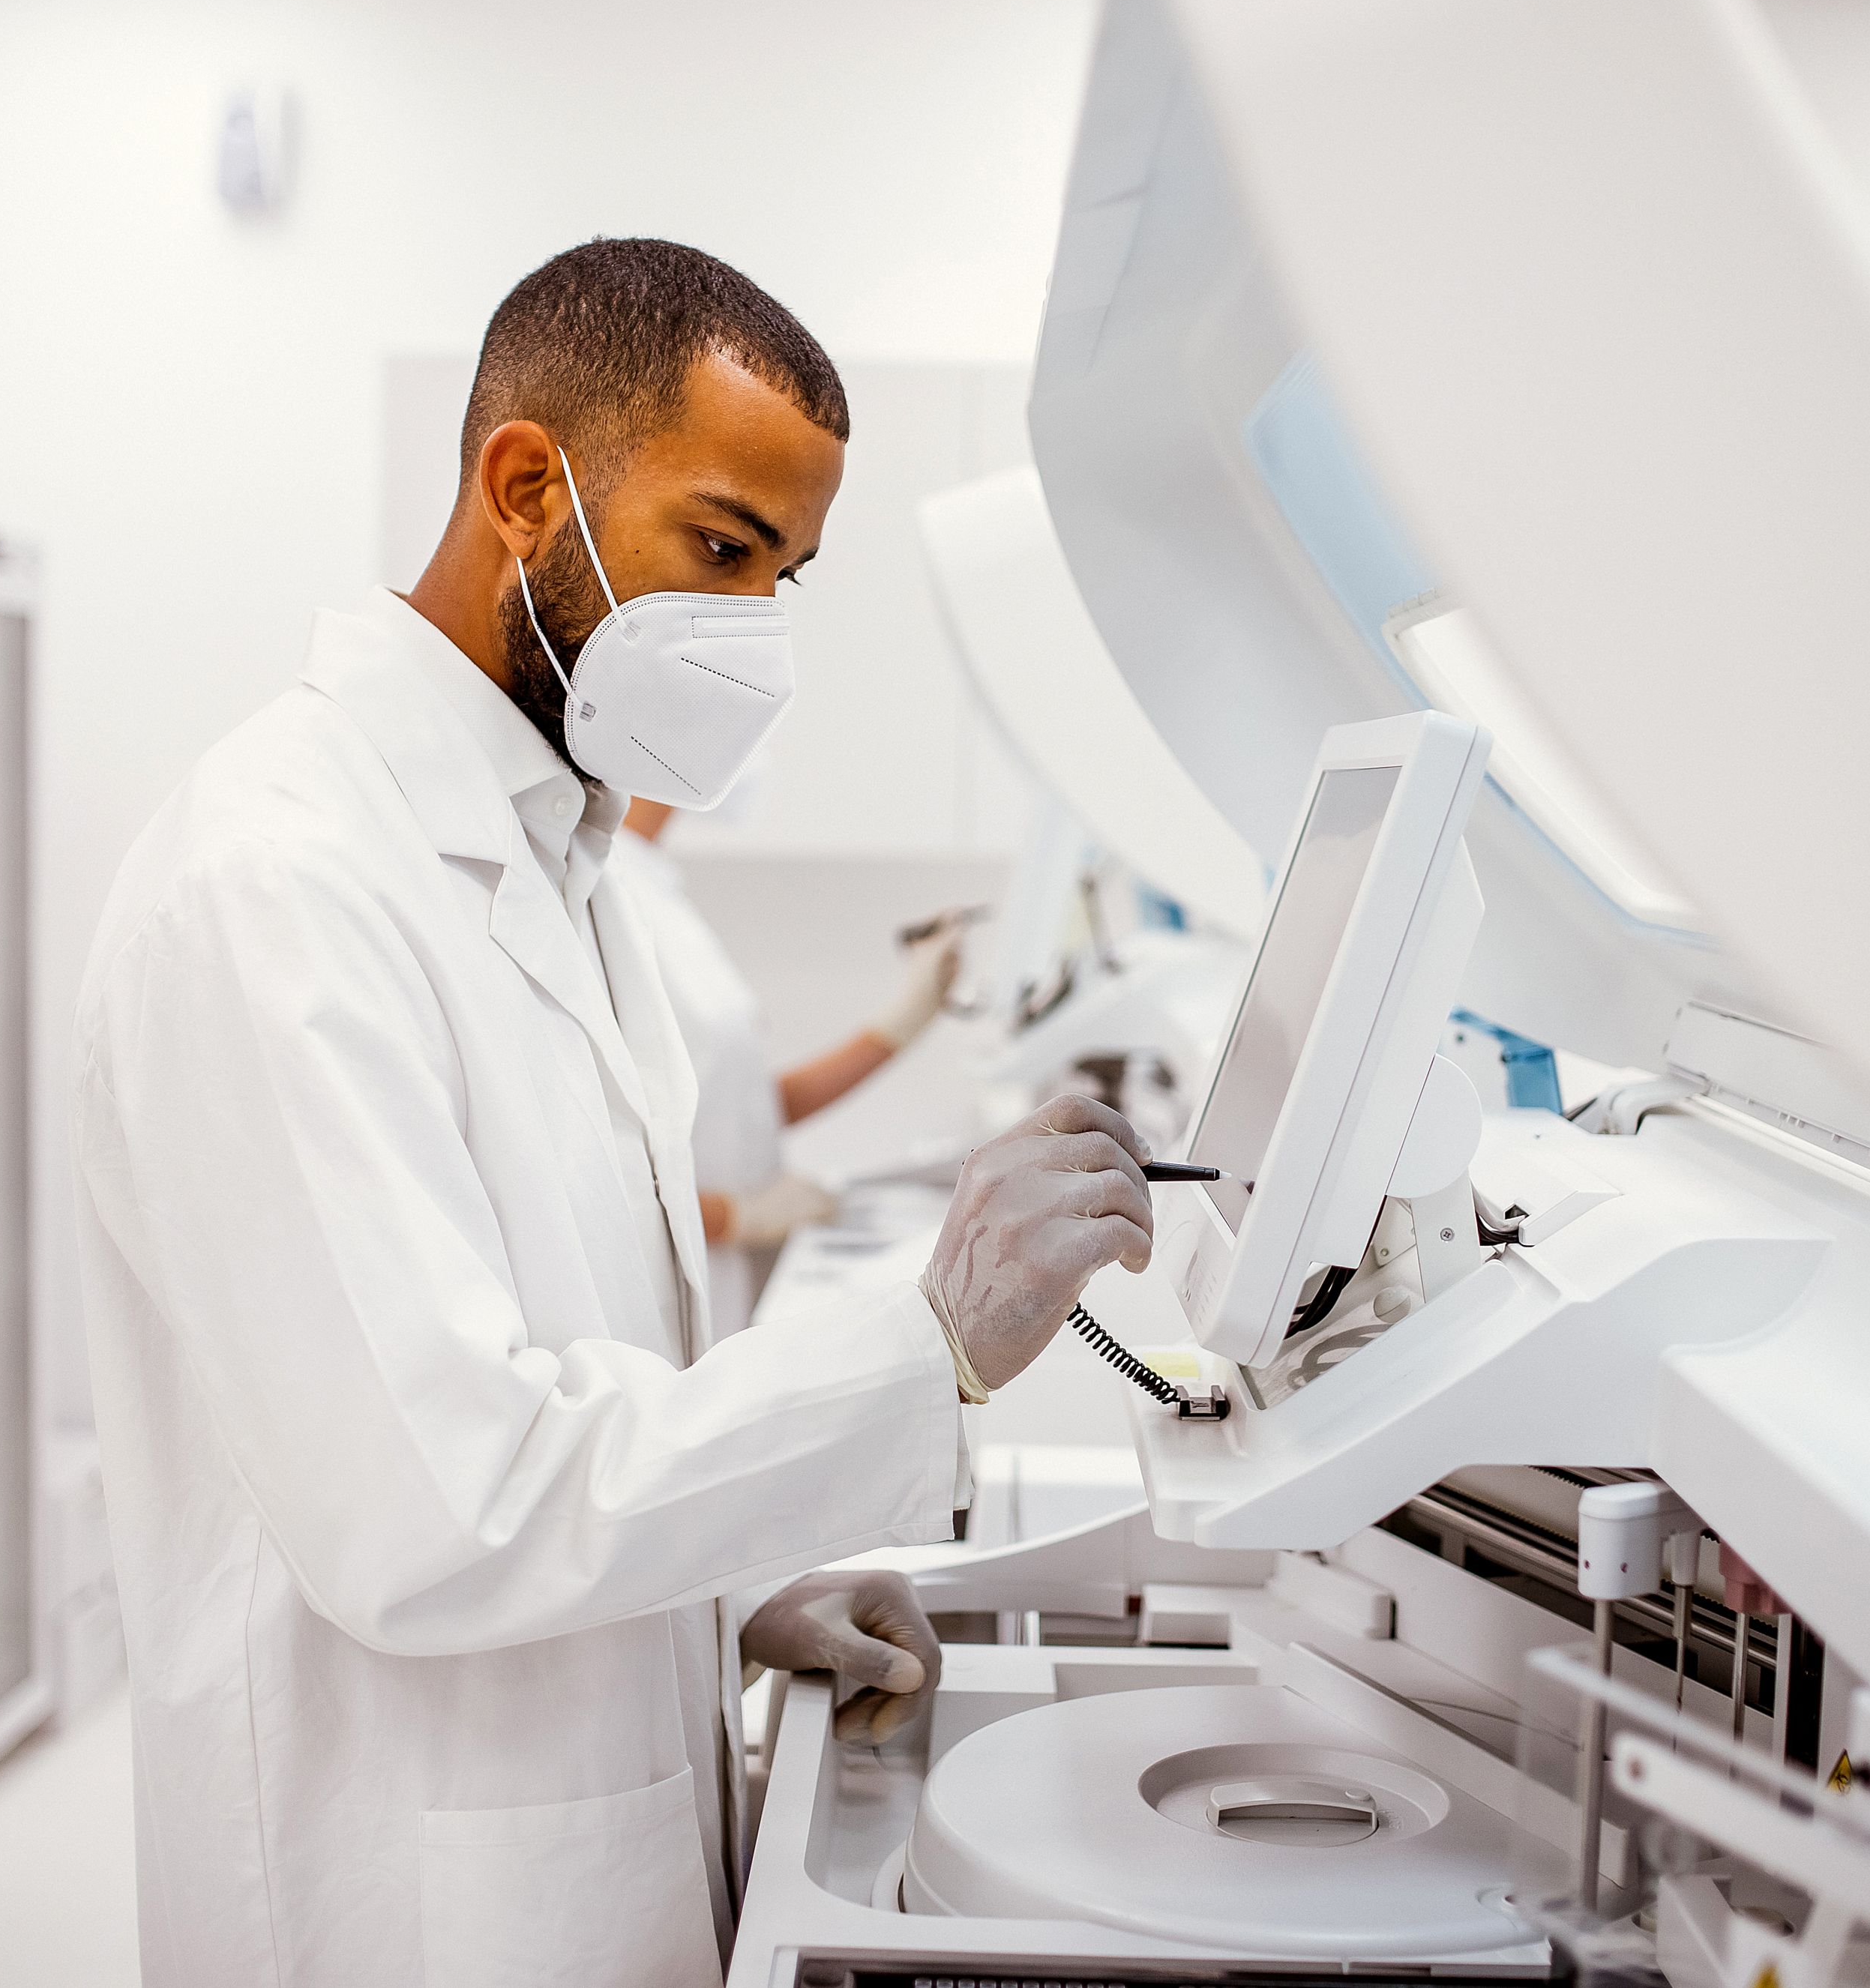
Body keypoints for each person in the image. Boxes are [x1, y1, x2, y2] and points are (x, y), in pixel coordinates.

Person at [73, 238, 1156, 1988]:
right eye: (720, 549)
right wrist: (924, 1344)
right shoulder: (277, 884)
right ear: (525, 486)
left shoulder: (562, 865)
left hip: (561, 1837)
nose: (750, 629)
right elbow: (443, 1507)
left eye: (784, 576)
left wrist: (736, 1599)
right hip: (402, 1905)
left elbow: (583, 1379)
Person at [614, 793, 966, 1336]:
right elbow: (593, 1159)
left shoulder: (647, 882)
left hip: (720, 1288)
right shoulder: (597, 892)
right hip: (657, 1298)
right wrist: (735, 1217)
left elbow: (732, 1105)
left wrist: (902, 1022)